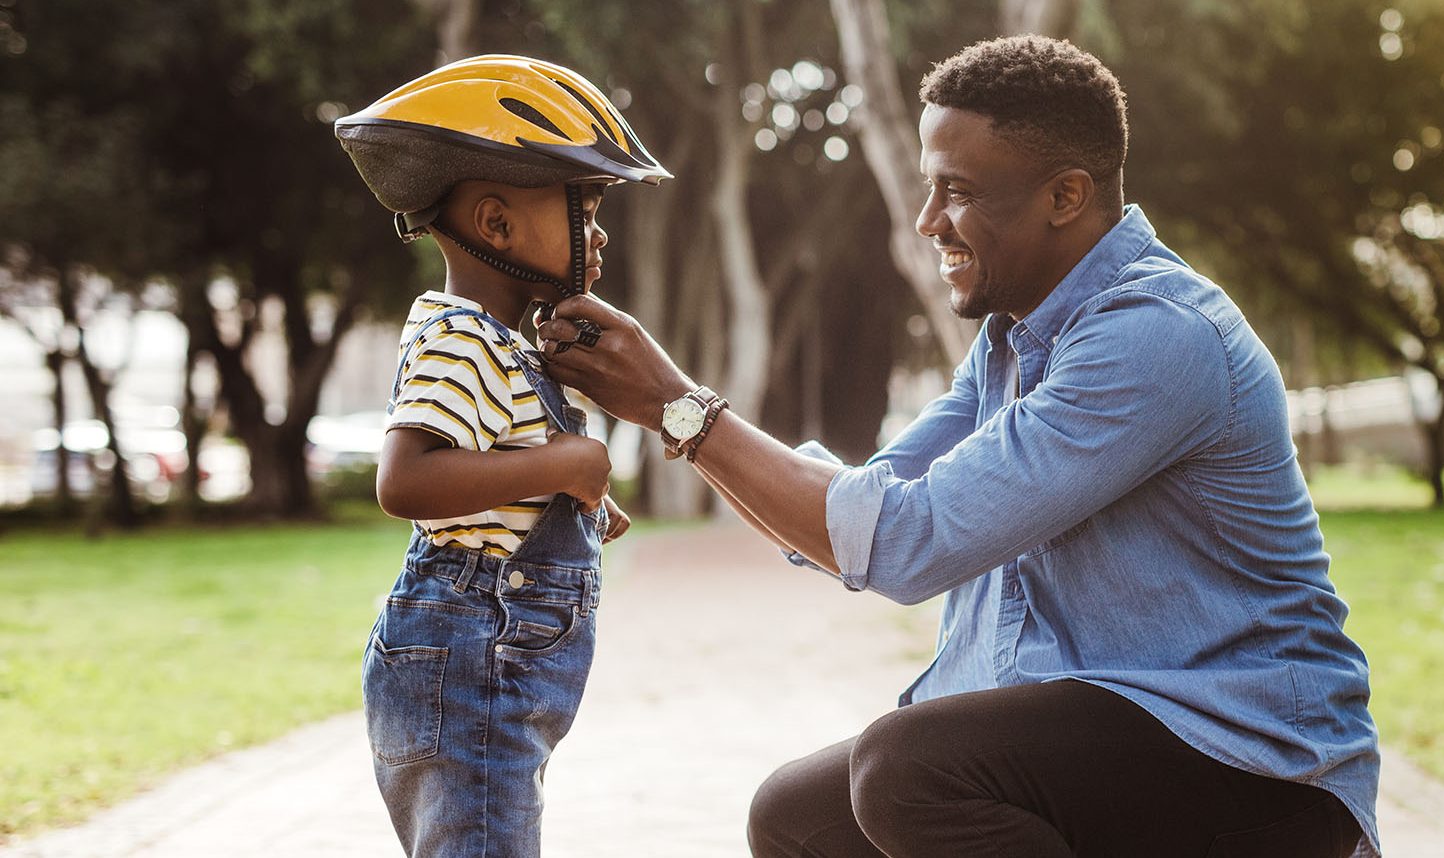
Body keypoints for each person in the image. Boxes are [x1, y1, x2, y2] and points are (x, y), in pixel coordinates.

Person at [538, 36, 1382, 857]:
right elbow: (870, 505)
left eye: (959, 191)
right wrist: (679, 418)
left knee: (911, 771)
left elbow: (903, 545)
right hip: (1114, 738)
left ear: (1066, 196)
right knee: (796, 816)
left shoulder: (1156, 338)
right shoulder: (1013, 341)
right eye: (927, 188)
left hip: (1256, 766)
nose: (928, 220)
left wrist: (678, 408)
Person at [333, 54, 670, 857]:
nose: (601, 232)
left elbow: (497, 470)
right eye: (585, 209)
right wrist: (560, 467)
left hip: (488, 664)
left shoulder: (502, 345)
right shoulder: (459, 338)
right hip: (470, 655)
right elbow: (406, 478)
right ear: (496, 225)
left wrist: (572, 491)